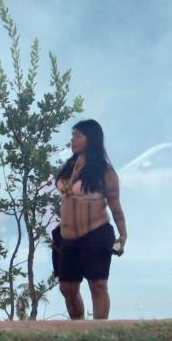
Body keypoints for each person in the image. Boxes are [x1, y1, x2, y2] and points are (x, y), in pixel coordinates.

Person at [53, 119, 127, 320]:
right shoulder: (70, 166)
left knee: (98, 284)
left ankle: (99, 329)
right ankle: (79, 327)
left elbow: (114, 204)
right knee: (67, 288)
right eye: (72, 135)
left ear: (91, 139)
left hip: (95, 232)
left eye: (78, 136)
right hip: (68, 236)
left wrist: (123, 233)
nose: (73, 140)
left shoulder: (105, 171)